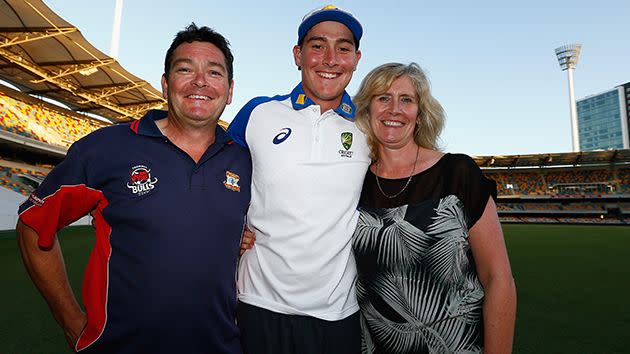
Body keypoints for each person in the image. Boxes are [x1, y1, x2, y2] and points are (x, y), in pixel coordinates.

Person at [16, 24, 250, 354]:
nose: (200, 81)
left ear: (229, 91)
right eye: (185, 69)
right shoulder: (106, 149)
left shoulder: (244, 160)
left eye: (214, 72)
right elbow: (32, 224)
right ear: (166, 85)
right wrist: (69, 318)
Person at [227, 5, 370, 354]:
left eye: (344, 48)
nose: (331, 59)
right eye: (318, 45)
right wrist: (229, 225)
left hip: (337, 312)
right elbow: (214, 174)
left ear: (356, 58)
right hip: (257, 304)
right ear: (298, 55)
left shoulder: (371, 128)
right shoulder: (258, 113)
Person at [351, 62, 517, 353]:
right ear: (367, 109)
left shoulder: (458, 172)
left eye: (406, 100)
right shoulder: (352, 181)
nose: (394, 109)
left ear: (419, 114)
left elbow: (497, 277)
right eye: (383, 98)